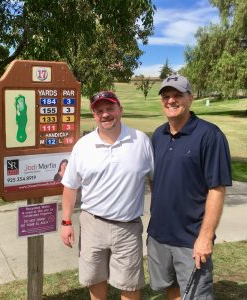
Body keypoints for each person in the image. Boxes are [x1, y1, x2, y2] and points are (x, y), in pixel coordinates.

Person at [60, 91, 154, 300]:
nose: (105, 114)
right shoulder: (83, 146)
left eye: (110, 109)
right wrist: (66, 222)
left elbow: (154, 181)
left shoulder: (140, 141)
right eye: (99, 110)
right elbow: (70, 186)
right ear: (93, 115)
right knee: (95, 280)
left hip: (128, 227)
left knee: (129, 285)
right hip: (93, 223)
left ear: (120, 110)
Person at [147, 75, 232, 299]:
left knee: (195, 295)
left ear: (190, 99)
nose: (171, 101)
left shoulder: (209, 135)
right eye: (166, 96)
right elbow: (154, 180)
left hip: (191, 239)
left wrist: (205, 237)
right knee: (172, 290)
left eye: (177, 95)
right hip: (159, 235)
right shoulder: (158, 135)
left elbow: (217, 189)